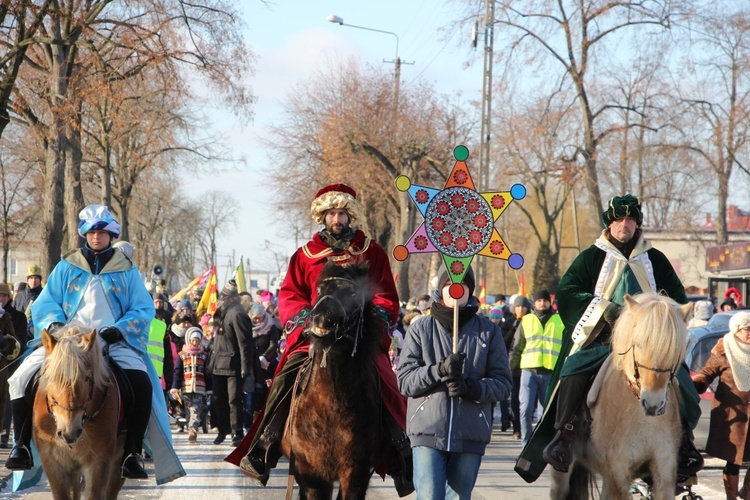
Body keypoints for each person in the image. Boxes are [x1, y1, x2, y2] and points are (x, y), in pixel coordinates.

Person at [236, 183, 413, 496]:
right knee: (286, 375)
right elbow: (290, 294)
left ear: (350, 215)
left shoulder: (370, 251)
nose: (336, 219)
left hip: (357, 338)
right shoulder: (304, 256)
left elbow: (385, 295)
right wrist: (306, 319)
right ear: (323, 215)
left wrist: (377, 319)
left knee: (386, 379)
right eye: (331, 212)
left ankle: (399, 450)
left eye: (342, 213)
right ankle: (264, 444)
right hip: (315, 336)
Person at [6, 204, 184, 482]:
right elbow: (46, 302)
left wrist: (121, 329)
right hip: (67, 342)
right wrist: (54, 326)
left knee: (141, 382)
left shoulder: (126, 269)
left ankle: (132, 452)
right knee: (20, 378)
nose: (96, 237)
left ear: (110, 235)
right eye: (91, 232)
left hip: (112, 341)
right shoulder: (67, 266)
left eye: (101, 232)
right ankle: (22, 447)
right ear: (84, 234)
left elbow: (142, 308)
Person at [536, 194, 702, 479]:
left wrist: (661, 319)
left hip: (647, 346)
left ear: (637, 224)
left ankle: (685, 442)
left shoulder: (655, 259)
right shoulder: (591, 257)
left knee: (683, 381)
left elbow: (677, 297)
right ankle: (564, 434)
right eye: (619, 219)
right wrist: (605, 310)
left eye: (630, 219)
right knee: (572, 372)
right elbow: (567, 293)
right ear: (609, 223)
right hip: (603, 340)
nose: (624, 224)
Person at [397, 267, 512, 499]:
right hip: (427, 429)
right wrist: (438, 370)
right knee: (429, 495)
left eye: (462, 284)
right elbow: (405, 381)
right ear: (440, 290)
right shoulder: (420, 328)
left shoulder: (488, 331)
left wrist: (473, 388)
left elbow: (503, 383)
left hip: (470, 431)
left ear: (470, 291)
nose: (455, 290)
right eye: (449, 285)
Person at [692, 311, 750, 498]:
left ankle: (747, 492)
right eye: (746, 329)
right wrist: (698, 383)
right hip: (733, 416)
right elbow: (707, 372)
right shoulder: (724, 350)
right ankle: (731, 497)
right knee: (734, 461)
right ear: (736, 331)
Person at [509, 289, 563, 446]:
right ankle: (526, 444)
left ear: (550, 302)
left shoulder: (560, 321)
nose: (542, 303)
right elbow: (517, 347)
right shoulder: (526, 321)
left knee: (544, 413)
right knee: (525, 409)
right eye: (539, 300)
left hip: (550, 373)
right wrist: (510, 370)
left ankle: (540, 446)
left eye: (545, 300)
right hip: (528, 372)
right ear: (534, 303)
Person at [208, 279, 255, 447]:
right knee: (218, 399)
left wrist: (245, 367)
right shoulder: (223, 312)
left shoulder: (238, 313)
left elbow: (245, 343)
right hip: (218, 364)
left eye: (225, 297)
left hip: (233, 365)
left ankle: (237, 432)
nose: (222, 300)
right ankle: (223, 429)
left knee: (234, 401)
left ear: (231, 298)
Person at [171, 326, 209, 444]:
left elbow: (207, 373)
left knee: (196, 408)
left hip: (199, 388)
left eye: (197, 341)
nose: (195, 343)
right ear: (188, 340)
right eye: (193, 340)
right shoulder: (182, 355)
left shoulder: (203, 355)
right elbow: (177, 372)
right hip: (186, 387)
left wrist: (209, 389)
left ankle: (193, 429)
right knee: (188, 409)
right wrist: (175, 387)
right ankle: (190, 428)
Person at [245, 302, 281, 428]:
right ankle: (249, 421)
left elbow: (273, 345)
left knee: (263, 391)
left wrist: (265, 357)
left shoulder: (270, 326)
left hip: (266, 364)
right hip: (251, 364)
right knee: (250, 394)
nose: (258, 320)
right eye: (255, 318)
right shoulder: (247, 326)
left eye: (260, 317)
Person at [0, 283, 27, 449]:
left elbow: (19, 343)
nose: (0, 299)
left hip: (7, 366)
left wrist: (4, 347)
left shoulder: (16, 316)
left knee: (6, 401)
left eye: (3, 296)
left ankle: (4, 435)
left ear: (8, 297)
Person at [508, 295, 533, 439]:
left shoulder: (530, 321)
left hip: (526, 366)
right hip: (512, 367)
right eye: (518, 306)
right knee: (514, 400)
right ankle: (516, 428)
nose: (520, 309)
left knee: (526, 403)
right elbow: (505, 342)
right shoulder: (509, 322)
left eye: (523, 306)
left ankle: (526, 430)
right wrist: (513, 329)